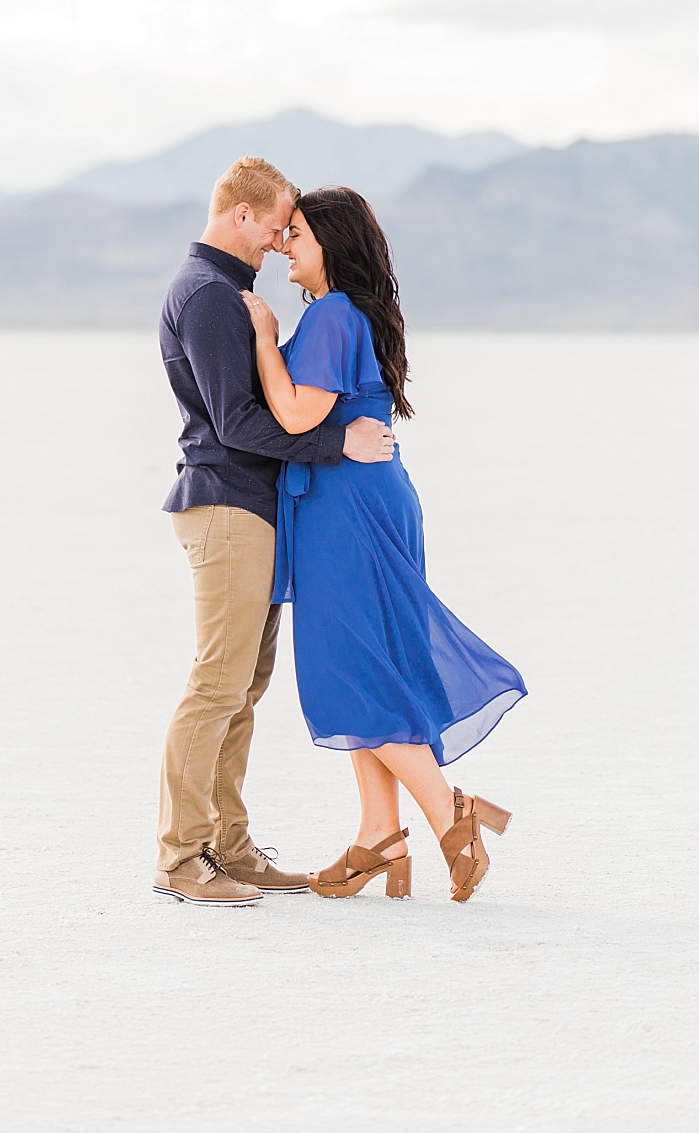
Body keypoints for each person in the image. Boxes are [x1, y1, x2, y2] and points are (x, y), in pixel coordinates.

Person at [242, 186, 527, 903]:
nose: (284, 247)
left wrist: (260, 340)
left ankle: (448, 815)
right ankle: (378, 835)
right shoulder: (339, 314)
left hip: (350, 512)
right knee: (369, 667)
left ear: (332, 247)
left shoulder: (334, 314)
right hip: (360, 501)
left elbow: (298, 411)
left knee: (353, 674)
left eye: (298, 235)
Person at [154, 157, 396, 907]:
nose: (279, 243)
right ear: (241, 217)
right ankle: (179, 855)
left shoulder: (228, 294)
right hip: (225, 504)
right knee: (217, 684)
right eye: (275, 227)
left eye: (293, 232)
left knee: (243, 688)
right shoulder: (210, 297)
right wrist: (337, 445)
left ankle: (228, 847)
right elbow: (236, 423)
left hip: (250, 509)